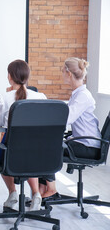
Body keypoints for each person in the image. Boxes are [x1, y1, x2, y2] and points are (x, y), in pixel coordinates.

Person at [39, 57, 102, 201]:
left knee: (47, 148)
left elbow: (67, 119)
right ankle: (42, 191)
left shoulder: (82, 96)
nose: (61, 74)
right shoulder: (78, 94)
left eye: (62, 71)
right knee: (45, 146)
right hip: (82, 142)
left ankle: (51, 189)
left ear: (68, 73)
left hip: (88, 146)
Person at [0, 59, 47, 211]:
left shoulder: (4, 97)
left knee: (0, 156)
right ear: (27, 77)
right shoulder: (40, 96)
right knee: (29, 157)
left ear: (9, 76)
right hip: (37, 152)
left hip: (12, 153)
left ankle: (12, 193)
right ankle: (36, 194)